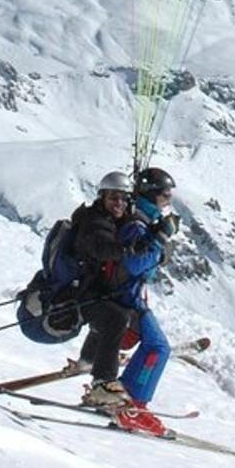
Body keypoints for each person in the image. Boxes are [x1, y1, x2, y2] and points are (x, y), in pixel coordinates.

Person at [76, 167, 180, 424]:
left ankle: (97, 365)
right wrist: (160, 242)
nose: (168, 200)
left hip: (127, 296)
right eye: (165, 195)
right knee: (157, 347)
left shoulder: (142, 220)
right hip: (128, 298)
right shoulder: (137, 224)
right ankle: (131, 406)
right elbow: (134, 264)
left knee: (136, 339)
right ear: (153, 195)